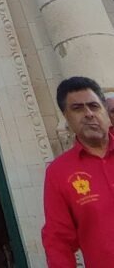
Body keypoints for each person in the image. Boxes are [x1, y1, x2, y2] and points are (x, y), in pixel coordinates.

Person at [41, 75, 114, 268]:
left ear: (106, 111)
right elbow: (58, 240)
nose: (89, 114)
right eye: (77, 109)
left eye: (94, 106)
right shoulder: (59, 173)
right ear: (66, 116)